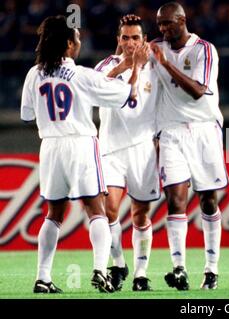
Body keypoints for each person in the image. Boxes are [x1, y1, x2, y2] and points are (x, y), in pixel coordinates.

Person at [20, 15, 149, 293]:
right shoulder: (80, 74)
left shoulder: (34, 74)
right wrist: (135, 69)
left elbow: (26, 114)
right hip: (80, 143)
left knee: (53, 213)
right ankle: (100, 271)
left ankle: (42, 277)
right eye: (77, 38)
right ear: (68, 44)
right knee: (96, 210)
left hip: (50, 145)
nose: (79, 42)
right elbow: (125, 95)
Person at [150, 2, 229, 290]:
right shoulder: (155, 48)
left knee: (208, 199)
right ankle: (179, 268)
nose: (163, 29)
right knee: (175, 199)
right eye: (159, 24)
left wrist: (165, 63)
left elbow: (197, 91)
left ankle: (211, 269)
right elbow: (131, 59)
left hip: (204, 131)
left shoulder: (204, 50)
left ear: (182, 20)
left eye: (168, 23)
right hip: (170, 132)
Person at [95, 14, 160, 292]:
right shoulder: (105, 66)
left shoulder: (156, 69)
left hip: (143, 148)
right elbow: (95, 91)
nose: (131, 42)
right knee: (109, 210)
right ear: (118, 40)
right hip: (110, 148)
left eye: (136, 37)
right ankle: (119, 263)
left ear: (144, 40)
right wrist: (127, 64)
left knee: (140, 215)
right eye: (125, 37)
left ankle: (141, 272)